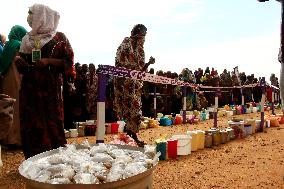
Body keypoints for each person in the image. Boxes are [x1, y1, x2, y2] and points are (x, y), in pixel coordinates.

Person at [15, 4, 76, 159]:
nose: (29, 17)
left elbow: (68, 62)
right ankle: (34, 158)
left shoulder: (59, 38)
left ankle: (57, 157)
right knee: (32, 122)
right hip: (30, 89)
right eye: (28, 14)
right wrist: (19, 62)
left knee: (52, 120)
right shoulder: (26, 40)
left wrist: (49, 61)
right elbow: (23, 66)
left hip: (50, 88)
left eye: (31, 14)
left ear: (42, 17)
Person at [113, 24, 155, 146]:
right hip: (124, 85)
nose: (144, 39)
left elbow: (140, 70)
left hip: (134, 85)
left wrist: (148, 64)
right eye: (143, 36)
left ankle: (130, 137)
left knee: (134, 112)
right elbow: (123, 64)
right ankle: (131, 138)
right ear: (138, 35)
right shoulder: (126, 45)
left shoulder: (139, 49)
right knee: (129, 112)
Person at [0, 25, 27, 147]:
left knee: (9, 108)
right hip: (16, 79)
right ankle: (17, 139)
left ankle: (8, 138)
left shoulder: (8, 45)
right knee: (17, 107)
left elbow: (3, 63)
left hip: (7, 79)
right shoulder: (18, 44)